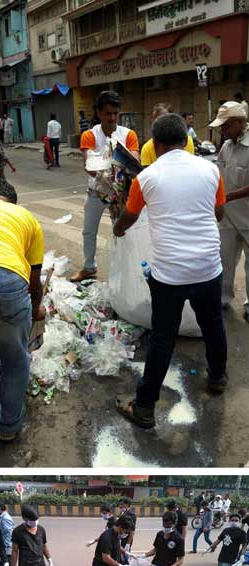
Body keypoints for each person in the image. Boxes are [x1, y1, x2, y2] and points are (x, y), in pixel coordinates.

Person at [113, 113, 228, 428]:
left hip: (169, 275)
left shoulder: (146, 178)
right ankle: (217, 377)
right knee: (213, 325)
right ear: (186, 141)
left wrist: (118, 230)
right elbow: (218, 212)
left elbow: (130, 217)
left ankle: (145, 407)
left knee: (163, 337)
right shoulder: (211, 169)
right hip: (208, 267)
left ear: (155, 144)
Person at [0, 178, 45, 441]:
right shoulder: (25, 217)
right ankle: (8, 428)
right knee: (15, 357)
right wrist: (36, 308)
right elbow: (34, 279)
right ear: (12, 202)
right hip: (4, 282)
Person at [72, 90, 140, 283]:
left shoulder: (128, 134)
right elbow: (89, 167)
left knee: (121, 231)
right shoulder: (89, 135)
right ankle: (88, 267)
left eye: (115, 113)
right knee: (88, 231)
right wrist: (116, 164)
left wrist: (107, 164)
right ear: (99, 113)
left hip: (120, 194)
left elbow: (134, 161)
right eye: (108, 113)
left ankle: (125, 270)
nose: (112, 118)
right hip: (96, 191)